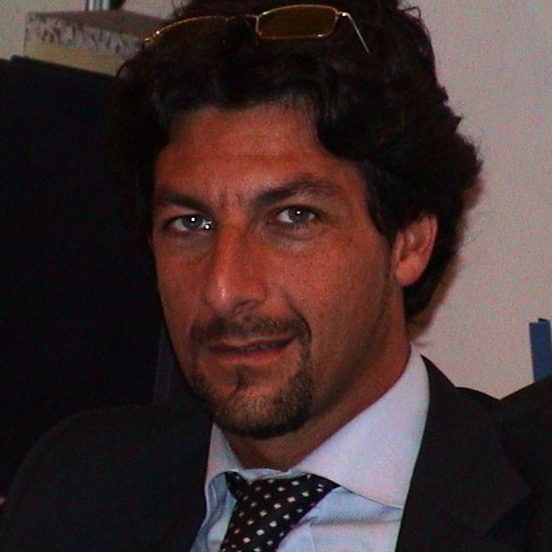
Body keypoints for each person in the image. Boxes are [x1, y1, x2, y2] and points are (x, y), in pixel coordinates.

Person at [1, 0, 551, 550]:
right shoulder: (76, 488)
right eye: (190, 223)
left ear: (409, 241)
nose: (224, 289)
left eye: (293, 217)